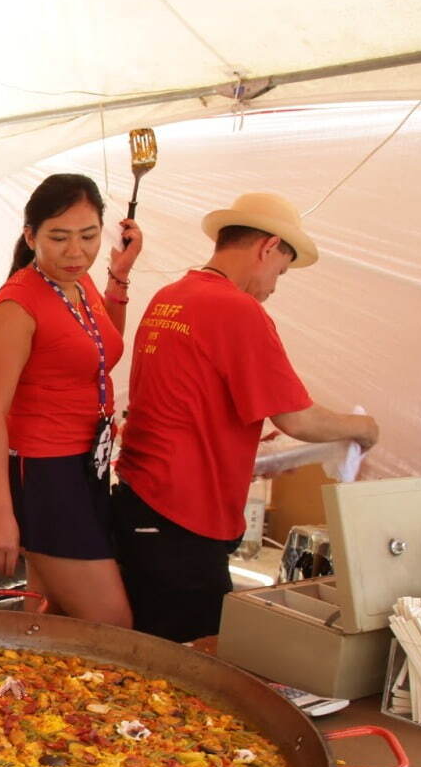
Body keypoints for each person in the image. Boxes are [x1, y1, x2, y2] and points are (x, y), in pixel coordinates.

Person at [113, 192, 379, 642]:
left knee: (147, 648)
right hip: (184, 521)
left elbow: (188, 403)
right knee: (194, 662)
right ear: (267, 247)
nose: (275, 285)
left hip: (140, 503)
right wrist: (362, 428)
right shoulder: (237, 309)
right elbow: (297, 418)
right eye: (280, 271)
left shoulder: (171, 296)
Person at [0, 173, 142, 626]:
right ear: (30, 236)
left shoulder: (81, 283)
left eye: (88, 236)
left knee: (50, 619)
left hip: (86, 463)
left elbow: (99, 353)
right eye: (59, 237)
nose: (75, 251)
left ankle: (21, 694)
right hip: (45, 472)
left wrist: (118, 278)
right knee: (112, 624)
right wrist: (0, 513)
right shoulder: (16, 305)